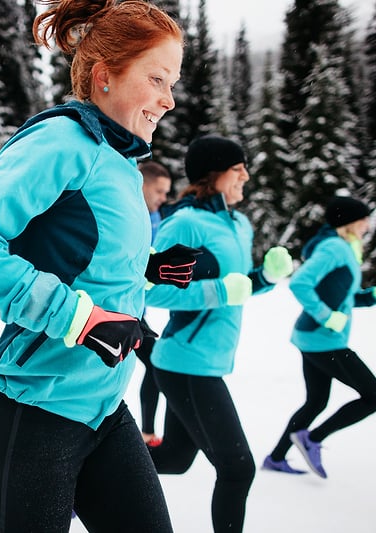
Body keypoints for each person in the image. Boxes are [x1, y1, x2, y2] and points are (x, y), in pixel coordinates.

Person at [0, 1, 197, 530]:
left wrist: (146, 268)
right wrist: (78, 319)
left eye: (173, 83)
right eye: (158, 79)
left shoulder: (119, 161)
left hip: (101, 410)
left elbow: (78, 255)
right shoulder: (61, 142)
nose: (168, 100)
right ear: (104, 77)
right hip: (32, 413)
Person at [144, 134, 295, 533]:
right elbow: (151, 288)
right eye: (237, 167)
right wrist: (220, 291)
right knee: (238, 468)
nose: (246, 173)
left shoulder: (239, 224)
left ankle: (79, 477)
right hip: (184, 362)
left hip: (207, 360)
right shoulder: (185, 224)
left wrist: (265, 277)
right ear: (213, 174)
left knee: (176, 459)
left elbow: (238, 285)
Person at [263, 195, 376, 478]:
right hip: (323, 340)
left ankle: (276, 458)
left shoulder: (344, 248)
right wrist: (326, 316)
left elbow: (346, 298)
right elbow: (300, 283)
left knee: (316, 402)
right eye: (364, 221)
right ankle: (312, 438)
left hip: (315, 338)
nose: (368, 226)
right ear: (350, 223)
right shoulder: (334, 248)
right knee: (374, 397)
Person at [135, 160, 172, 446]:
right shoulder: (130, 211)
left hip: (134, 311)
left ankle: (147, 433)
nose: (163, 198)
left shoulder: (156, 215)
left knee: (156, 364)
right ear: (142, 183)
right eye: (159, 191)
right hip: (106, 309)